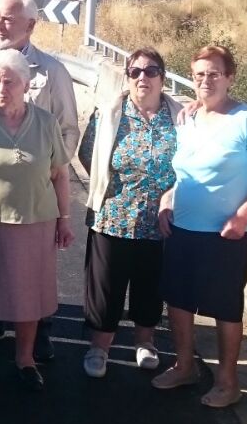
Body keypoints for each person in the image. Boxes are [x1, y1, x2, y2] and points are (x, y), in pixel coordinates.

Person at [0, 0, 77, 362]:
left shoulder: (51, 71)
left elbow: (68, 128)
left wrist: (48, 165)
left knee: (29, 280)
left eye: (9, 18)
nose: (0, 25)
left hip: (33, 199)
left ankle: (34, 346)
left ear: (31, 25)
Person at [154, 44, 247, 408]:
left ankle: (228, 382)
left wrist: (243, 216)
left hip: (227, 232)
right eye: (199, 74)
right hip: (182, 226)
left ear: (230, 78)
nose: (206, 81)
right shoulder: (187, 118)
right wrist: (167, 201)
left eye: (214, 74)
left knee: (225, 308)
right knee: (178, 301)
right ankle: (184, 366)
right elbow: (183, 172)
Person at [76, 46, 184, 378]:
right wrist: (110, 190)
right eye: (135, 71)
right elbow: (87, 154)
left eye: (151, 71)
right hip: (113, 217)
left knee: (150, 286)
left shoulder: (181, 118)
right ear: (127, 77)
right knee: (105, 287)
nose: (142, 77)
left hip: (160, 220)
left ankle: (145, 343)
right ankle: (100, 348)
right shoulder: (109, 114)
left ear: (162, 78)